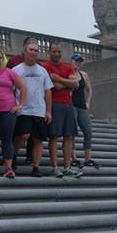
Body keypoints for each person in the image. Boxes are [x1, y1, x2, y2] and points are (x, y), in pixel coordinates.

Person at [12, 42, 53, 177]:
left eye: (36, 50)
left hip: (39, 110)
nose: (33, 52)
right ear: (24, 51)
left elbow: (48, 91)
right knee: (23, 135)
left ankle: (36, 167)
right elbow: (11, 90)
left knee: (38, 140)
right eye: (31, 49)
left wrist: (48, 111)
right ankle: (13, 154)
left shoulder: (42, 71)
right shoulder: (16, 70)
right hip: (22, 110)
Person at [0, 49, 26, 178]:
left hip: (8, 110)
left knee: (7, 139)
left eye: (0, 57)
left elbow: (23, 87)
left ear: (3, 60)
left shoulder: (9, 72)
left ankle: (9, 168)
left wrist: (20, 104)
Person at [43, 43, 82, 178]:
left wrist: (59, 79)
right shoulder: (45, 67)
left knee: (69, 136)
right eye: (54, 51)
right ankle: (55, 167)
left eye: (59, 52)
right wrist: (67, 83)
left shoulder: (67, 67)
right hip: (54, 103)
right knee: (54, 136)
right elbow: (55, 86)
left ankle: (67, 167)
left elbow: (76, 84)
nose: (57, 54)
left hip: (68, 104)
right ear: (49, 52)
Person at [70, 53, 100, 169]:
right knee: (72, 133)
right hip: (72, 105)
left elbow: (89, 89)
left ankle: (88, 158)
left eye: (80, 61)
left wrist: (88, 102)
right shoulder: (68, 73)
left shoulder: (84, 74)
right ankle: (74, 158)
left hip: (82, 106)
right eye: (76, 61)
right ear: (72, 61)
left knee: (88, 132)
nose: (78, 63)